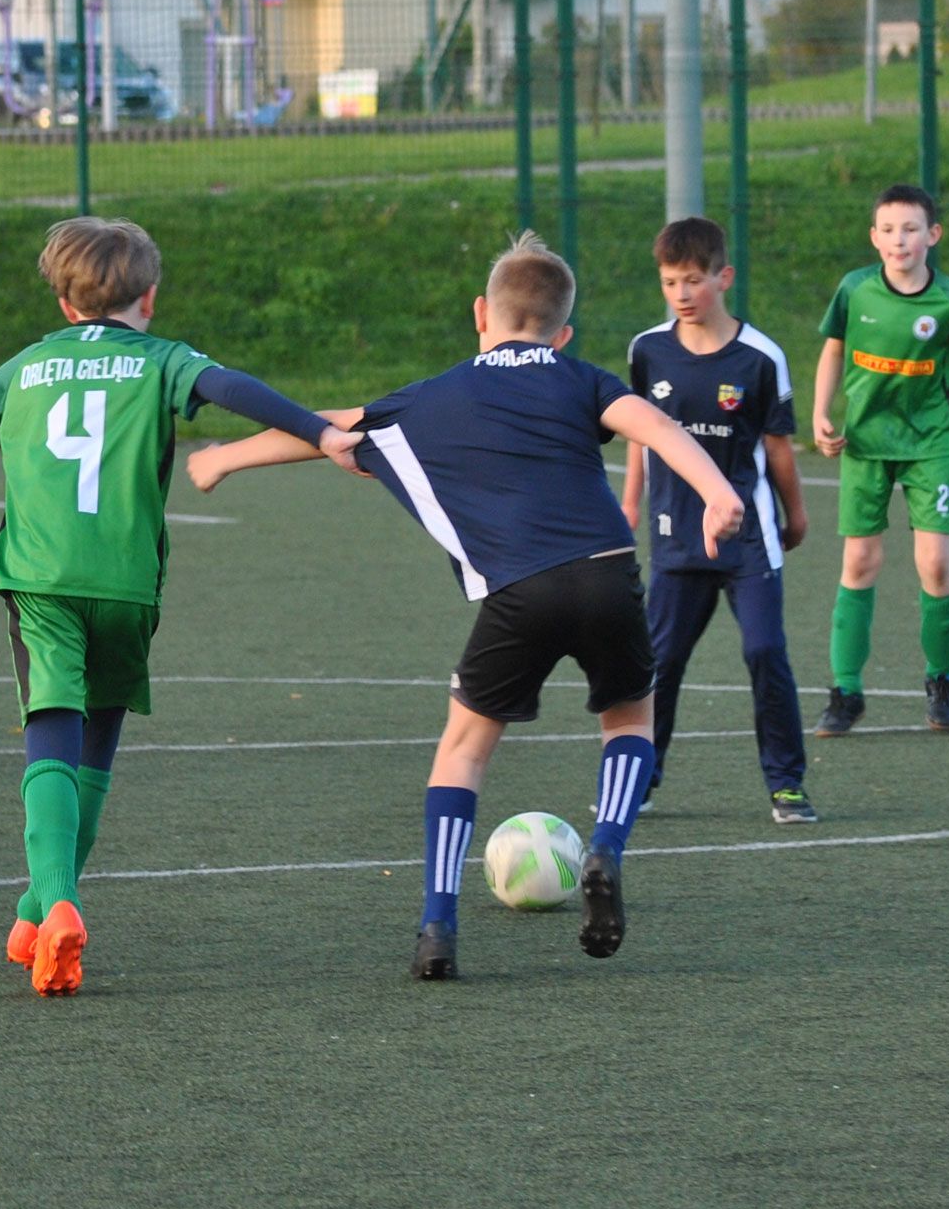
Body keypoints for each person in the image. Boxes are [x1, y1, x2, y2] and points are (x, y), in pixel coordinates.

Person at [187, 232, 744, 980]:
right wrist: (718, 494)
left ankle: (436, 925)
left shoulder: (434, 394)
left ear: (481, 313)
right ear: (563, 331)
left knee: (464, 749)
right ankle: (607, 840)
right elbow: (657, 426)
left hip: (520, 591)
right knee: (631, 718)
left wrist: (223, 455)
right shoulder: (585, 377)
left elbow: (326, 430)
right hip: (609, 573)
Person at [0, 216, 361, 997]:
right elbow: (233, 389)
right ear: (151, 297)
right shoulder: (163, 360)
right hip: (126, 583)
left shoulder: (23, 368)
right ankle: (35, 912)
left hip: (41, 579)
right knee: (96, 748)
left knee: (49, 732)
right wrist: (321, 432)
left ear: (63, 302)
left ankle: (55, 898)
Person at [619, 217, 817, 825]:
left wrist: (797, 513)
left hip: (748, 537)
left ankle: (786, 786)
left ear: (723, 278)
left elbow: (779, 448)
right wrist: (629, 504)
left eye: (694, 280)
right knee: (659, 662)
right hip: (675, 537)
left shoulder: (760, 358)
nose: (682, 293)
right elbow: (637, 434)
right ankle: (639, 781)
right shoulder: (647, 350)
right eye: (671, 282)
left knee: (764, 651)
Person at [810, 184, 949, 736]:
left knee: (936, 563)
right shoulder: (855, 291)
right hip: (865, 444)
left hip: (929, 445)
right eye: (889, 230)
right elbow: (833, 349)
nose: (900, 240)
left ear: (932, 236)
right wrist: (822, 413)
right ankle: (845, 692)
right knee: (860, 563)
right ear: (874, 238)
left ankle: (942, 682)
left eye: (911, 229)